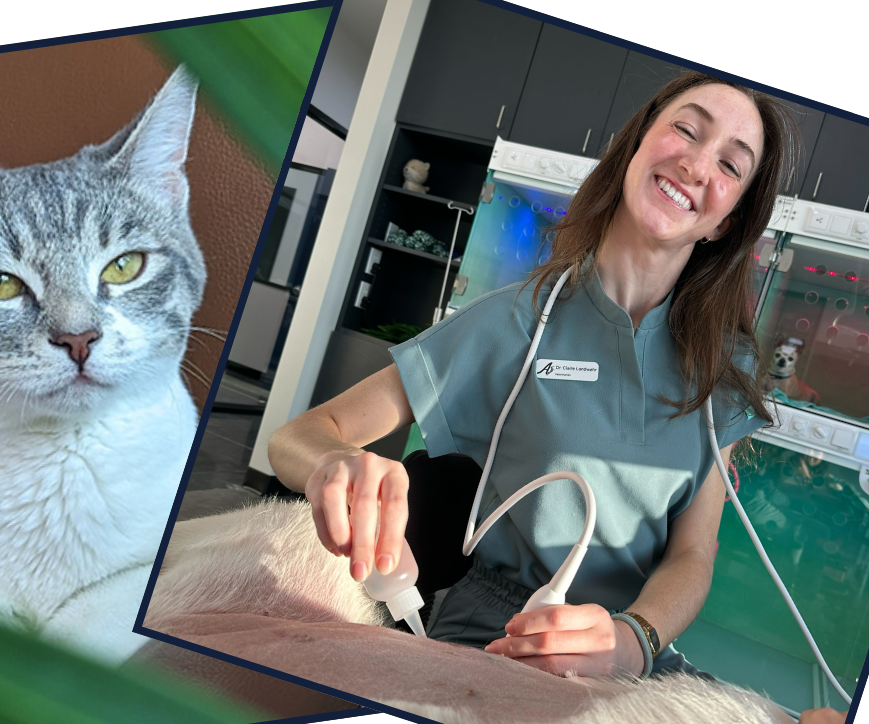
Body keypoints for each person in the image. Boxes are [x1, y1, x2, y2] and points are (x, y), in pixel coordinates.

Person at [269, 69, 802, 681]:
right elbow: (299, 435)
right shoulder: (513, 320)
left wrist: (634, 639)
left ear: (725, 223)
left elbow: (692, 554)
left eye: (732, 166)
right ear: (634, 148)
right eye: (686, 129)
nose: (698, 165)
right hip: (501, 632)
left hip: (634, 648)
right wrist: (334, 465)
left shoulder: (721, 373)